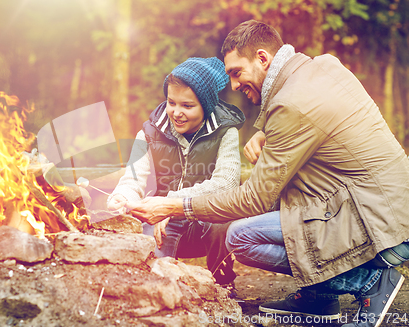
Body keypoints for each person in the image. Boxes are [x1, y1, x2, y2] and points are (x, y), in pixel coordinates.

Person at [127, 20, 409, 327]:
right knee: (287, 194)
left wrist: (173, 206)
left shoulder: (291, 106)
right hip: (394, 207)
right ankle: (319, 299)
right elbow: (309, 113)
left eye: (236, 72)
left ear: (263, 59)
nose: (233, 84)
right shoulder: (325, 67)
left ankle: (367, 282)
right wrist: (265, 130)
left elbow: (254, 199)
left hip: (380, 228)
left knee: (241, 236)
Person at [107, 57, 245, 285]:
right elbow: (133, 179)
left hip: (203, 227)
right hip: (162, 227)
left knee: (223, 219)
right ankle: (159, 286)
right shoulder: (148, 133)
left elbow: (227, 183)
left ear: (206, 105)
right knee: (157, 280)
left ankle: (222, 284)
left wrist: (171, 203)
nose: (176, 112)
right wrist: (122, 197)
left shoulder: (225, 132)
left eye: (187, 106)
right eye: (172, 102)